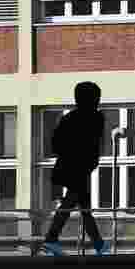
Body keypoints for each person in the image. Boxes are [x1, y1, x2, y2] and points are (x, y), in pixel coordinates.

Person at [40, 82, 109, 256]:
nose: (98, 101)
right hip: (78, 170)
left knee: (78, 205)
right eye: (96, 98)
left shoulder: (69, 118)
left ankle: (97, 244)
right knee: (77, 205)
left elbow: (56, 144)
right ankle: (52, 239)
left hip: (72, 168)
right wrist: (85, 161)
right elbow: (92, 145)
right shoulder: (94, 118)